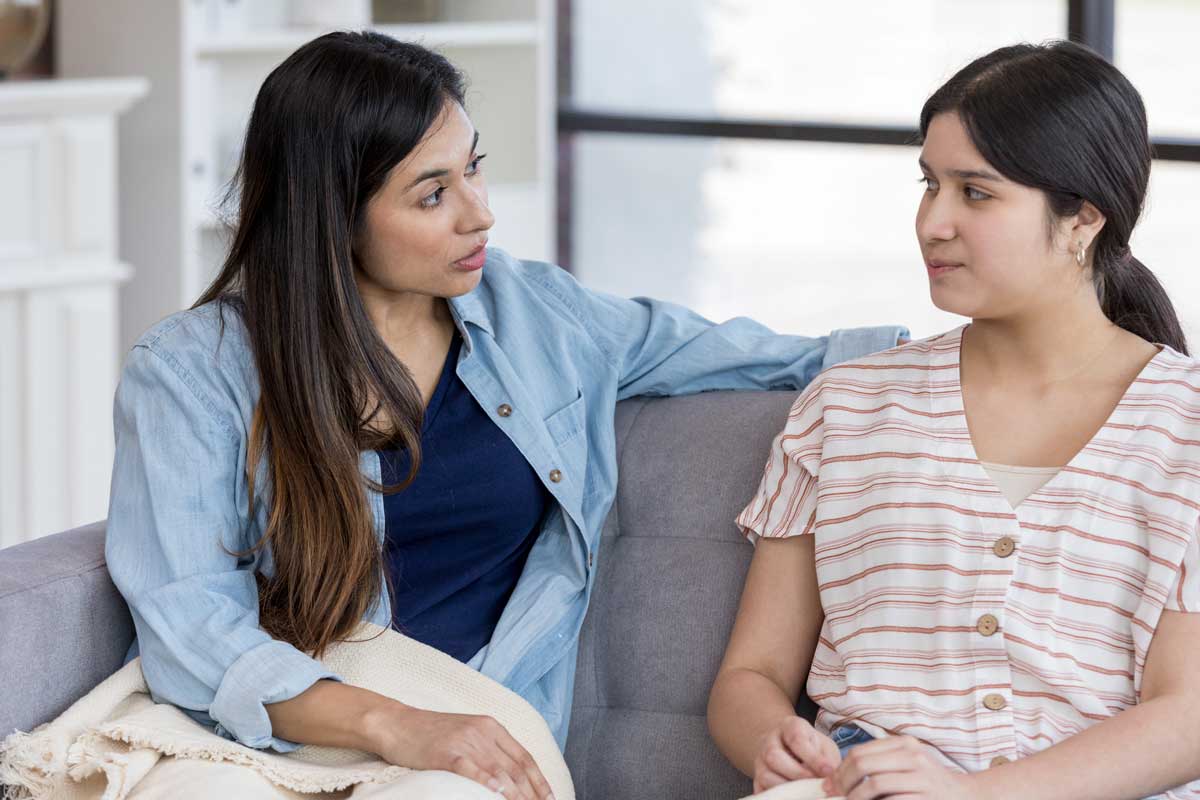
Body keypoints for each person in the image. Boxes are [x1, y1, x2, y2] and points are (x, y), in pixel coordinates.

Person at [103, 30, 907, 800]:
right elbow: (187, 616)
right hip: (270, 728)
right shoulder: (192, 372)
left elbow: (754, 353)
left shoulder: (538, 318)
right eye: (433, 194)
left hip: (480, 738)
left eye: (473, 169)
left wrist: (961, 353)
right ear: (334, 216)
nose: (480, 213)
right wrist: (395, 724)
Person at [708, 40, 1200, 800]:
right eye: (928, 184)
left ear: (1083, 220)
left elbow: (1187, 718)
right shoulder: (844, 410)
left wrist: (975, 794)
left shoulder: (1187, 431)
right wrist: (774, 740)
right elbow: (752, 674)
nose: (933, 222)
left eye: (975, 193)